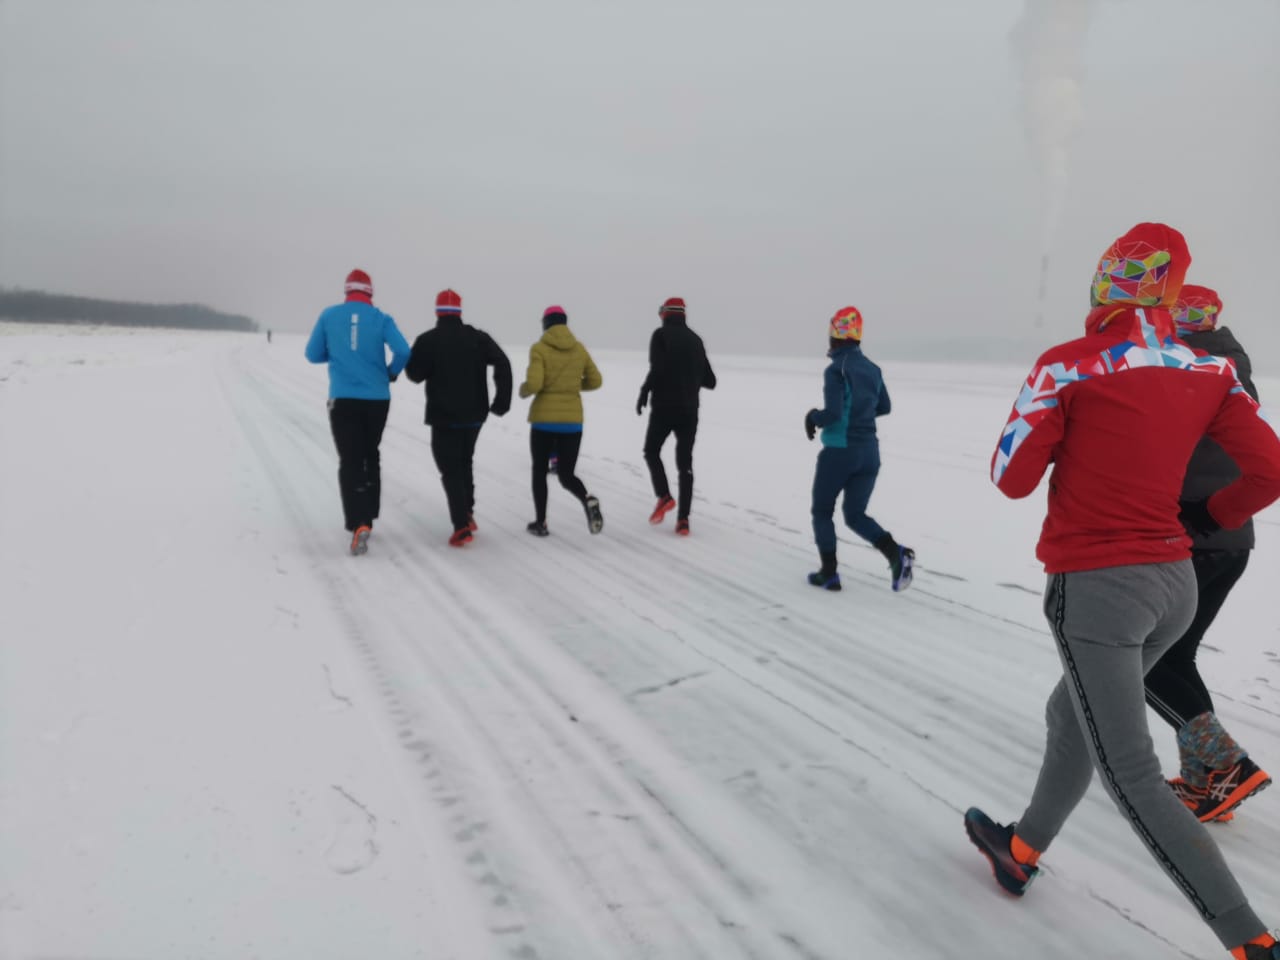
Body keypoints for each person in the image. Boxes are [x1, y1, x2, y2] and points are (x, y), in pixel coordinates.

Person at [966, 223, 1280, 960]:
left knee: (1130, 775)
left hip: (1099, 591)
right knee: (1067, 712)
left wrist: (1056, 417)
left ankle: (1252, 944)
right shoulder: (1211, 371)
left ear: (1105, 282)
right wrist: (1209, 515)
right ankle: (1020, 848)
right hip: (1177, 583)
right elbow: (1270, 470)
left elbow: (1009, 478)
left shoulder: (1067, 366)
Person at [1145, 283, 1271, 822]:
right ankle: (1208, 784)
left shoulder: (1188, 371)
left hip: (1191, 534)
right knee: (1177, 656)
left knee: (1143, 662)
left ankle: (1227, 767)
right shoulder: (1233, 367)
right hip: (1231, 540)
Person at [803, 306, 913, 592]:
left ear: (836, 335)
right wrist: (862, 416)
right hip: (870, 453)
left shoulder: (836, 369)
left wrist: (813, 417)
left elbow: (834, 414)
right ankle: (894, 553)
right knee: (854, 514)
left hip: (840, 452)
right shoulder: (873, 369)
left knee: (822, 510)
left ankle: (829, 573)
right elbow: (884, 406)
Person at [305, 268, 411, 555]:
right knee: (370, 452)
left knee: (350, 459)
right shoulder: (381, 318)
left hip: (343, 399)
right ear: (370, 293)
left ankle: (358, 521)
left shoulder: (329, 316)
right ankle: (370, 513)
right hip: (377, 399)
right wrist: (391, 373)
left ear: (346, 291)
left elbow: (312, 354)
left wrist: (339, 353)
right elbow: (403, 351)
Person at [404, 289, 513, 547]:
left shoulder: (428, 340)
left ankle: (461, 525)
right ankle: (467, 513)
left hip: (444, 417)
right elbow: (503, 362)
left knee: (450, 468)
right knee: (464, 462)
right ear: (459, 311)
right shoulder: (477, 337)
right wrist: (501, 402)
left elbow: (414, 374)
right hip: (475, 416)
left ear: (437, 311)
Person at [518, 305, 604, 537]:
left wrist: (524, 390)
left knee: (539, 472)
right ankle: (586, 499)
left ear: (545, 324)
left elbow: (535, 384)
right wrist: (573, 387)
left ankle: (541, 523)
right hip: (572, 422)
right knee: (566, 475)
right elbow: (596, 381)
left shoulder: (539, 349)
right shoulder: (579, 349)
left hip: (544, 422)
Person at [636, 296, 717, 536]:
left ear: (665, 314)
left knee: (651, 451)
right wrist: (690, 376)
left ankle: (664, 496)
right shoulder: (696, 340)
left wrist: (644, 391)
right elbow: (710, 381)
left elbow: (657, 368)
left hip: (663, 407)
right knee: (685, 464)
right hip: (690, 410)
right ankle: (683, 520)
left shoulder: (660, 336)